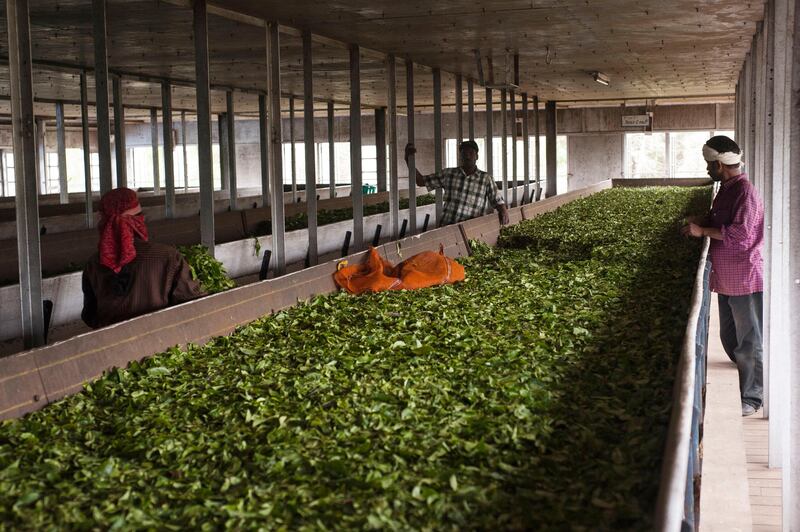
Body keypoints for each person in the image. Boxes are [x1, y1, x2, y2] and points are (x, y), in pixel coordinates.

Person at [681, 135, 764, 417]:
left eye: (708, 164)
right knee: (730, 337)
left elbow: (741, 236)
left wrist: (703, 232)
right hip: (726, 278)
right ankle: (741, 377)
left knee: (750, 340)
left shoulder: (745, 192)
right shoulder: (726, 189)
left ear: (719, 164)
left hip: (744, 277)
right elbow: (721, 220)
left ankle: (752, 398)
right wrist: (703, 221)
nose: (706, 169)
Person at [82, 188, 206, 329]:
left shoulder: (93, 264)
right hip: (159, 341)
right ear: (138, 221)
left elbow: (90, 316)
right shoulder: (167, 257)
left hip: (108, 345)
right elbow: (191, 303)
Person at [405, 140, 509, 226]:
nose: (467, 156)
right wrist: (409, 160)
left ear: (477, 156)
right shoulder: (449, 174)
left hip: (471, 229)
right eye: (464, 153)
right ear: (460, 156)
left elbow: (498, 200)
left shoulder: (486, 178)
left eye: (471, 153)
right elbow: (420, 181)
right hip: (447, 227)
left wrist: (503, 211)